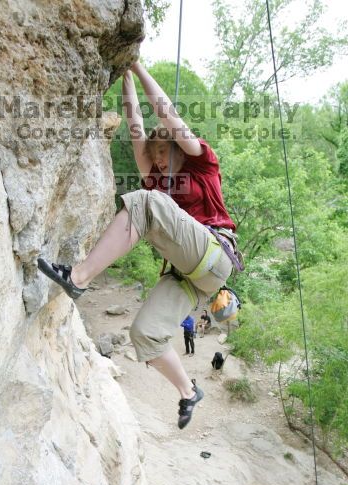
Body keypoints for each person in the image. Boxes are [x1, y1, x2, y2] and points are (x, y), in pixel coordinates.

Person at [38, 61, 240, 429]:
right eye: (155, 156)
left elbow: (166, 112)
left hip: (215, 255)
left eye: (162, 152)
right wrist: (125, 78)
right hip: (192, 277)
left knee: (146, 203)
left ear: (175, 146)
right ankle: (187, 390)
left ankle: (78, 277)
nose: (157, 161)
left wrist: (139, 66)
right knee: (144, 334)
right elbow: (135, 127)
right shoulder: (159, 183)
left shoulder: (201, 164)